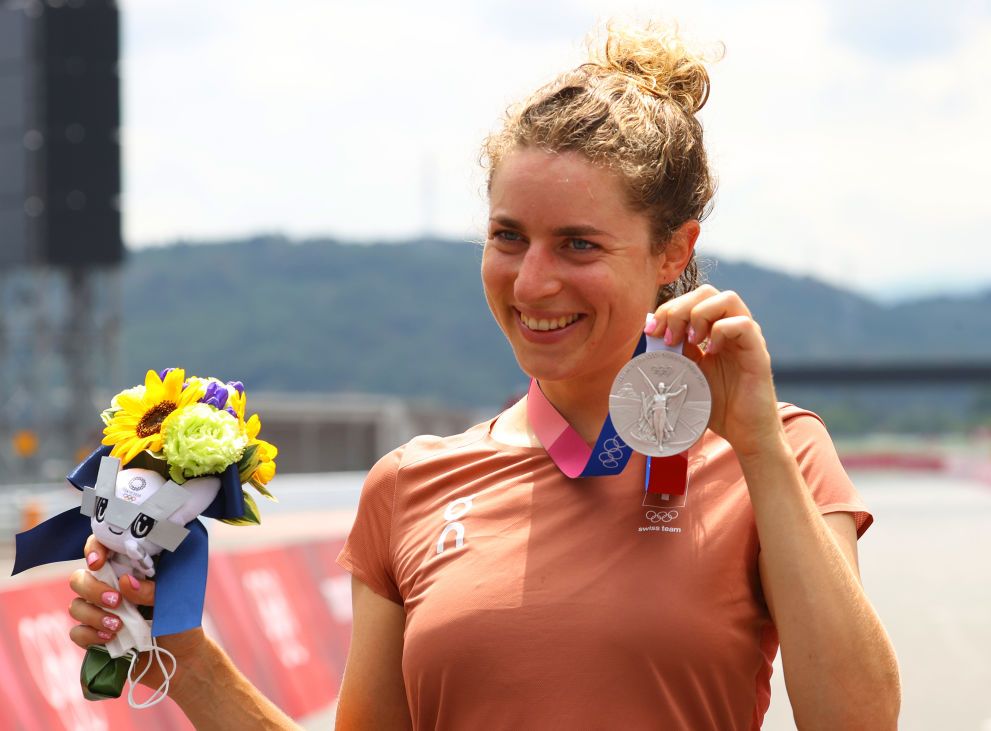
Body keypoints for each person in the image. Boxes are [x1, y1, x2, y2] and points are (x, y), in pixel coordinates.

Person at [68, 20, 901, 729]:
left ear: (673, 252)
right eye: (509, 236)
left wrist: (754, 444)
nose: (533, 282)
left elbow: (859, 717)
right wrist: (186, 656)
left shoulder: (777, 450)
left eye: (579, 243)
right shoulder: (410, 484)